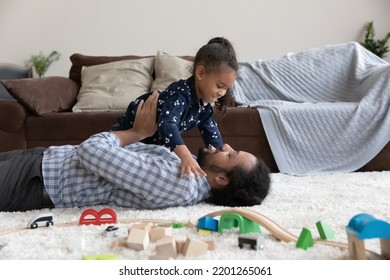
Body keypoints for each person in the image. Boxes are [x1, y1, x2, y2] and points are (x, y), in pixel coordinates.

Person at [0, 91, 271, 212]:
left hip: (38, 180)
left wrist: (136, 133)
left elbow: (90, 151)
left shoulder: (177, 181)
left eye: (231, 155)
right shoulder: (185, 169)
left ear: (221, 179)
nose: (226, 146)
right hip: (44, 162)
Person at [111, 37, 238, 180]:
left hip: (150, 148)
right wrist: (185, 155)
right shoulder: (180, 93)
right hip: (127, 140)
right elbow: (166, 123)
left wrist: (227, 158)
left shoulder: (205, 108)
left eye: (226, 88)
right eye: (220, 86)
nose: (222, 93)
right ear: (200, 73)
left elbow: (212, 138)